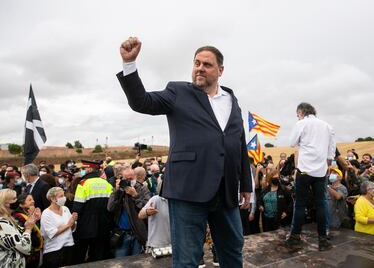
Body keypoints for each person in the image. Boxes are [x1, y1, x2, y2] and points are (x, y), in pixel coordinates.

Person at [117, 37, 252, 267]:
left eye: (207, 64)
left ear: (220, 70)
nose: (200, 68)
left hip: (226, 191)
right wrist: (129, 64)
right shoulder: (178, 92)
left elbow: (239, 143)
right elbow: (142, 102)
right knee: (187, 260)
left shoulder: (232, 99)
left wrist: (246, 186)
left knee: (232, 253)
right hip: (188, 190)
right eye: (196, 63)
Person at [285, 102, 335, 251]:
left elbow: (291, 142)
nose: (297, 117)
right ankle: (323, 240)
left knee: (300, 204)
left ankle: (295, 237)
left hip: (304, 170)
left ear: (301, 112)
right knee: (321, 204)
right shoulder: (327, 126)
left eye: (297, 115)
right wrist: (328, 166)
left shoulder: (301, 124)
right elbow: (331, 150)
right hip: (320, 171)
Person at [72, 160, 113, 263]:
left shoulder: (83, 183)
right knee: (98, 255)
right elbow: (111, 205)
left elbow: (77, 207)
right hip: (104, 224)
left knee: (80, 254)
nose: (84, 171)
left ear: (90, 169)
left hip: (86, 225)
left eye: (84, 168)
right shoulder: (107, 183)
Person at [107, 167, 150, 257]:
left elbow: (146, 210)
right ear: (121, 178)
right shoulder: (119, 191)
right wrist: (116, 191)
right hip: (122, 235)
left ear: (135, 177)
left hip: (138, 234)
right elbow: (110, 208)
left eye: (131, 179)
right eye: (126, 179)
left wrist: (135, 196)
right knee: (120, 262)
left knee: (137, 263)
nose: (129, 181)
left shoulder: (142, 189)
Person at [41, 187, 77, 267]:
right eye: (61, 196)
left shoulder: (65, 209)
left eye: (64, 195)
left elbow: (72, 228)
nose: (64, 198)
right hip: (54, 250)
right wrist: (68, 225)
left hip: (69, 246)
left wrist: (73, 221)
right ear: (53, 199)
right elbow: (52, 233)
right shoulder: (46, 213)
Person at [0, 189, 37, 267]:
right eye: (14, 199)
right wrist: (28, 229)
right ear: (5, 203)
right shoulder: (3, 223)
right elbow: (24, 247)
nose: (17, 201)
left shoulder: (8, 218)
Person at [11, 193, 43, 268]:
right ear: (21, 204)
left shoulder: (29, 214)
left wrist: (35, 218)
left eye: (33, 199)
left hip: (36, 252)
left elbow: (37, 230)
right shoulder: (17, 216)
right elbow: (23, 232)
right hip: (27, 252)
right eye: (29, 200)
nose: (33, 201)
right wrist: (31, 218)